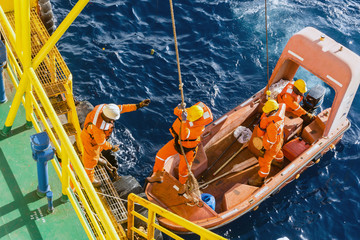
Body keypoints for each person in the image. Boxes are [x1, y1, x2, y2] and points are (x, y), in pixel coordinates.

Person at [147, 102, 213, 194]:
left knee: (184, 170)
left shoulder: (199, 128)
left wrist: (184, 121)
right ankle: (158, 175)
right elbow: (176, 111)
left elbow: (184, 135)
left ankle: (183, 186)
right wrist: (179, 107)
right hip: (177, 143)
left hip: (188, 150)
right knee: (160, 156)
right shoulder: (188, 114)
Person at [81, 99, 150, 187]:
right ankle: (90, 179)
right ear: (108, 118)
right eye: (112, 119)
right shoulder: (97, 128)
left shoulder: (105, 109)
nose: (113, 121)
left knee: (98, 151)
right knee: (90, 161)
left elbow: (122, 108)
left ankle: (97, 158)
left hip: (95, 140)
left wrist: (138, 105)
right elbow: (102, 142)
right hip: (91, 142)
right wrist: (112, 148)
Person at [248, 99, 286, 187]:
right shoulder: (280, 114)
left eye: (267, 112)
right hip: (279, 140)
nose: (265, 113)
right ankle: (279, 162)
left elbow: (271, 141)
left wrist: (264, 148)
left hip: (271, 146)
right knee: (278, 151)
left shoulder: (272, 126)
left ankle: (261, 179)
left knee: (264, 162)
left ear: (272, 111)